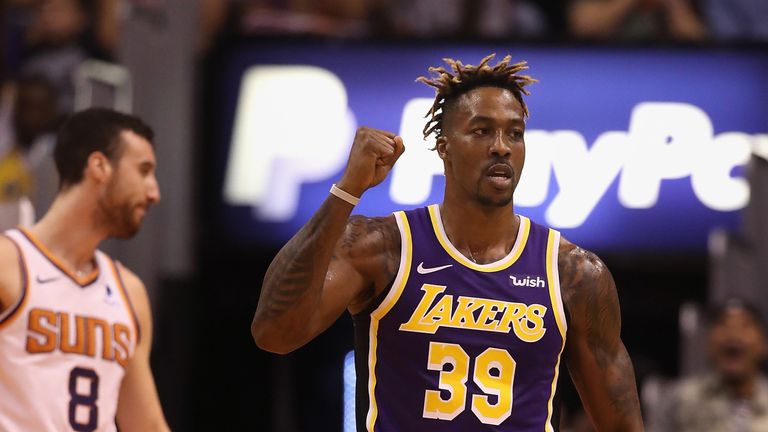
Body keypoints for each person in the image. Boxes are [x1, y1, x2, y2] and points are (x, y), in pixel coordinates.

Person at [251, 54, 643, 431]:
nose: (502, 146)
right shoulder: (383, 246)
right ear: (443, 146)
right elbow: (275, 333)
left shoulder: (572, 273)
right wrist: (347, 191)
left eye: (515, 133)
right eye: (482, 130)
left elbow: (623, 425)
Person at [0, 108, 169, 431]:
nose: (154, 193)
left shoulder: (129, 292)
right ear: (99, 167)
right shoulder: (9, 263)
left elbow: (146, 425)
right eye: (144, 171)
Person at [652, 299, 768, 432]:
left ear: (763, 344)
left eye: (745, 325)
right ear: (708, 343)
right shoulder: (681, 399)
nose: (733, 335)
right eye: (723, 324)